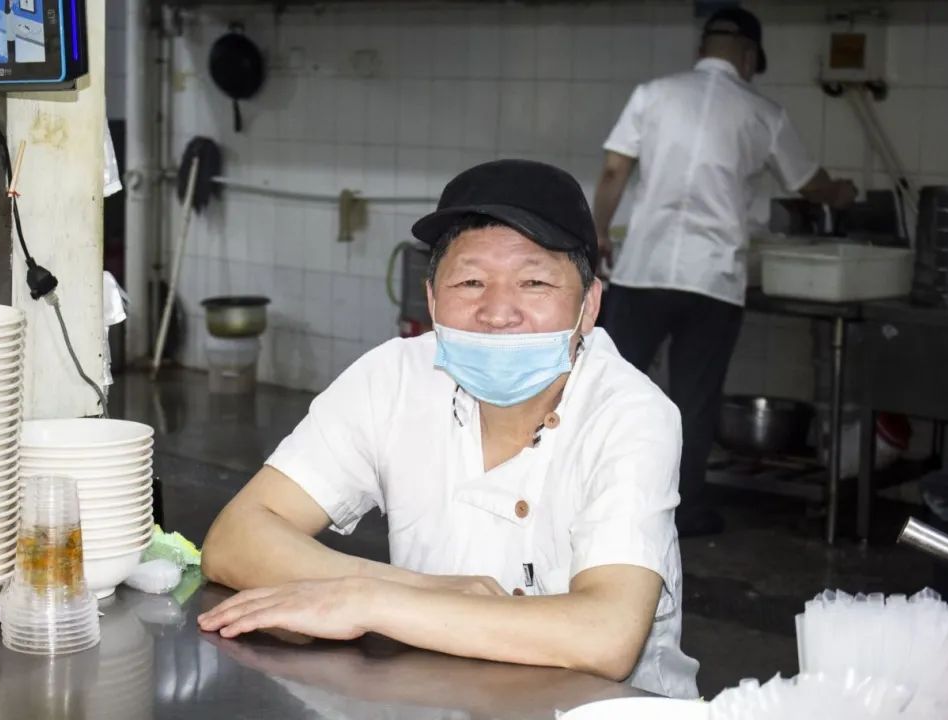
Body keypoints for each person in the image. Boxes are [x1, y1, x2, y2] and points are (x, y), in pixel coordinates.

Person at [199, 159, 700, 699]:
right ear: (433, 300)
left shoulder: (630, 412)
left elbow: (606, 636)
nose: (498, 311)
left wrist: (367, 602)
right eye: (470, 280)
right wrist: (405, 588)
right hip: (434, 695)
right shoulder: (391, 378)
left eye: (533, 281)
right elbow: (235, 539)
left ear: (588, 306)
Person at [592, 7, 858, 537]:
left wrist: (598, 231)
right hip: (712, 282)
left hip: (643, 270)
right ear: (751, 55)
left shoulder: (653, 93)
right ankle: (683, 513)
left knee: (606, 385)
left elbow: (614, 168)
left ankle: (587, 496)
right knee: (693, 399)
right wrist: (841, 192)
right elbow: (808, 182)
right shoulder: (763, 112)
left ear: (701, 48)